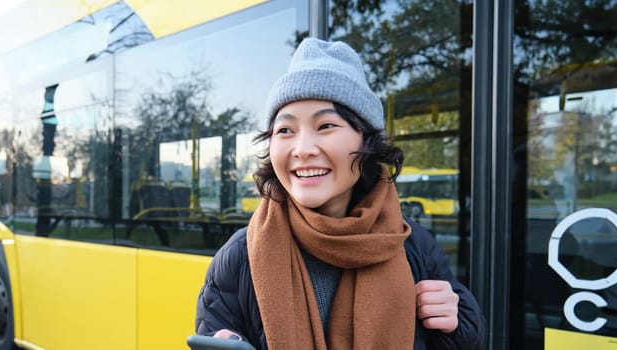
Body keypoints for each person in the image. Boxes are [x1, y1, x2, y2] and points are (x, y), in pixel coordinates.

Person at [195, 38, 486, 349]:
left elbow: (465, 341)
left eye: (326, 126)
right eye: (285, 130)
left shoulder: (414, 247)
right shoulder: (240, 257)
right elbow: (212, 331)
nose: (303, 149)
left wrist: (456, 327)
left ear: (367, 143)